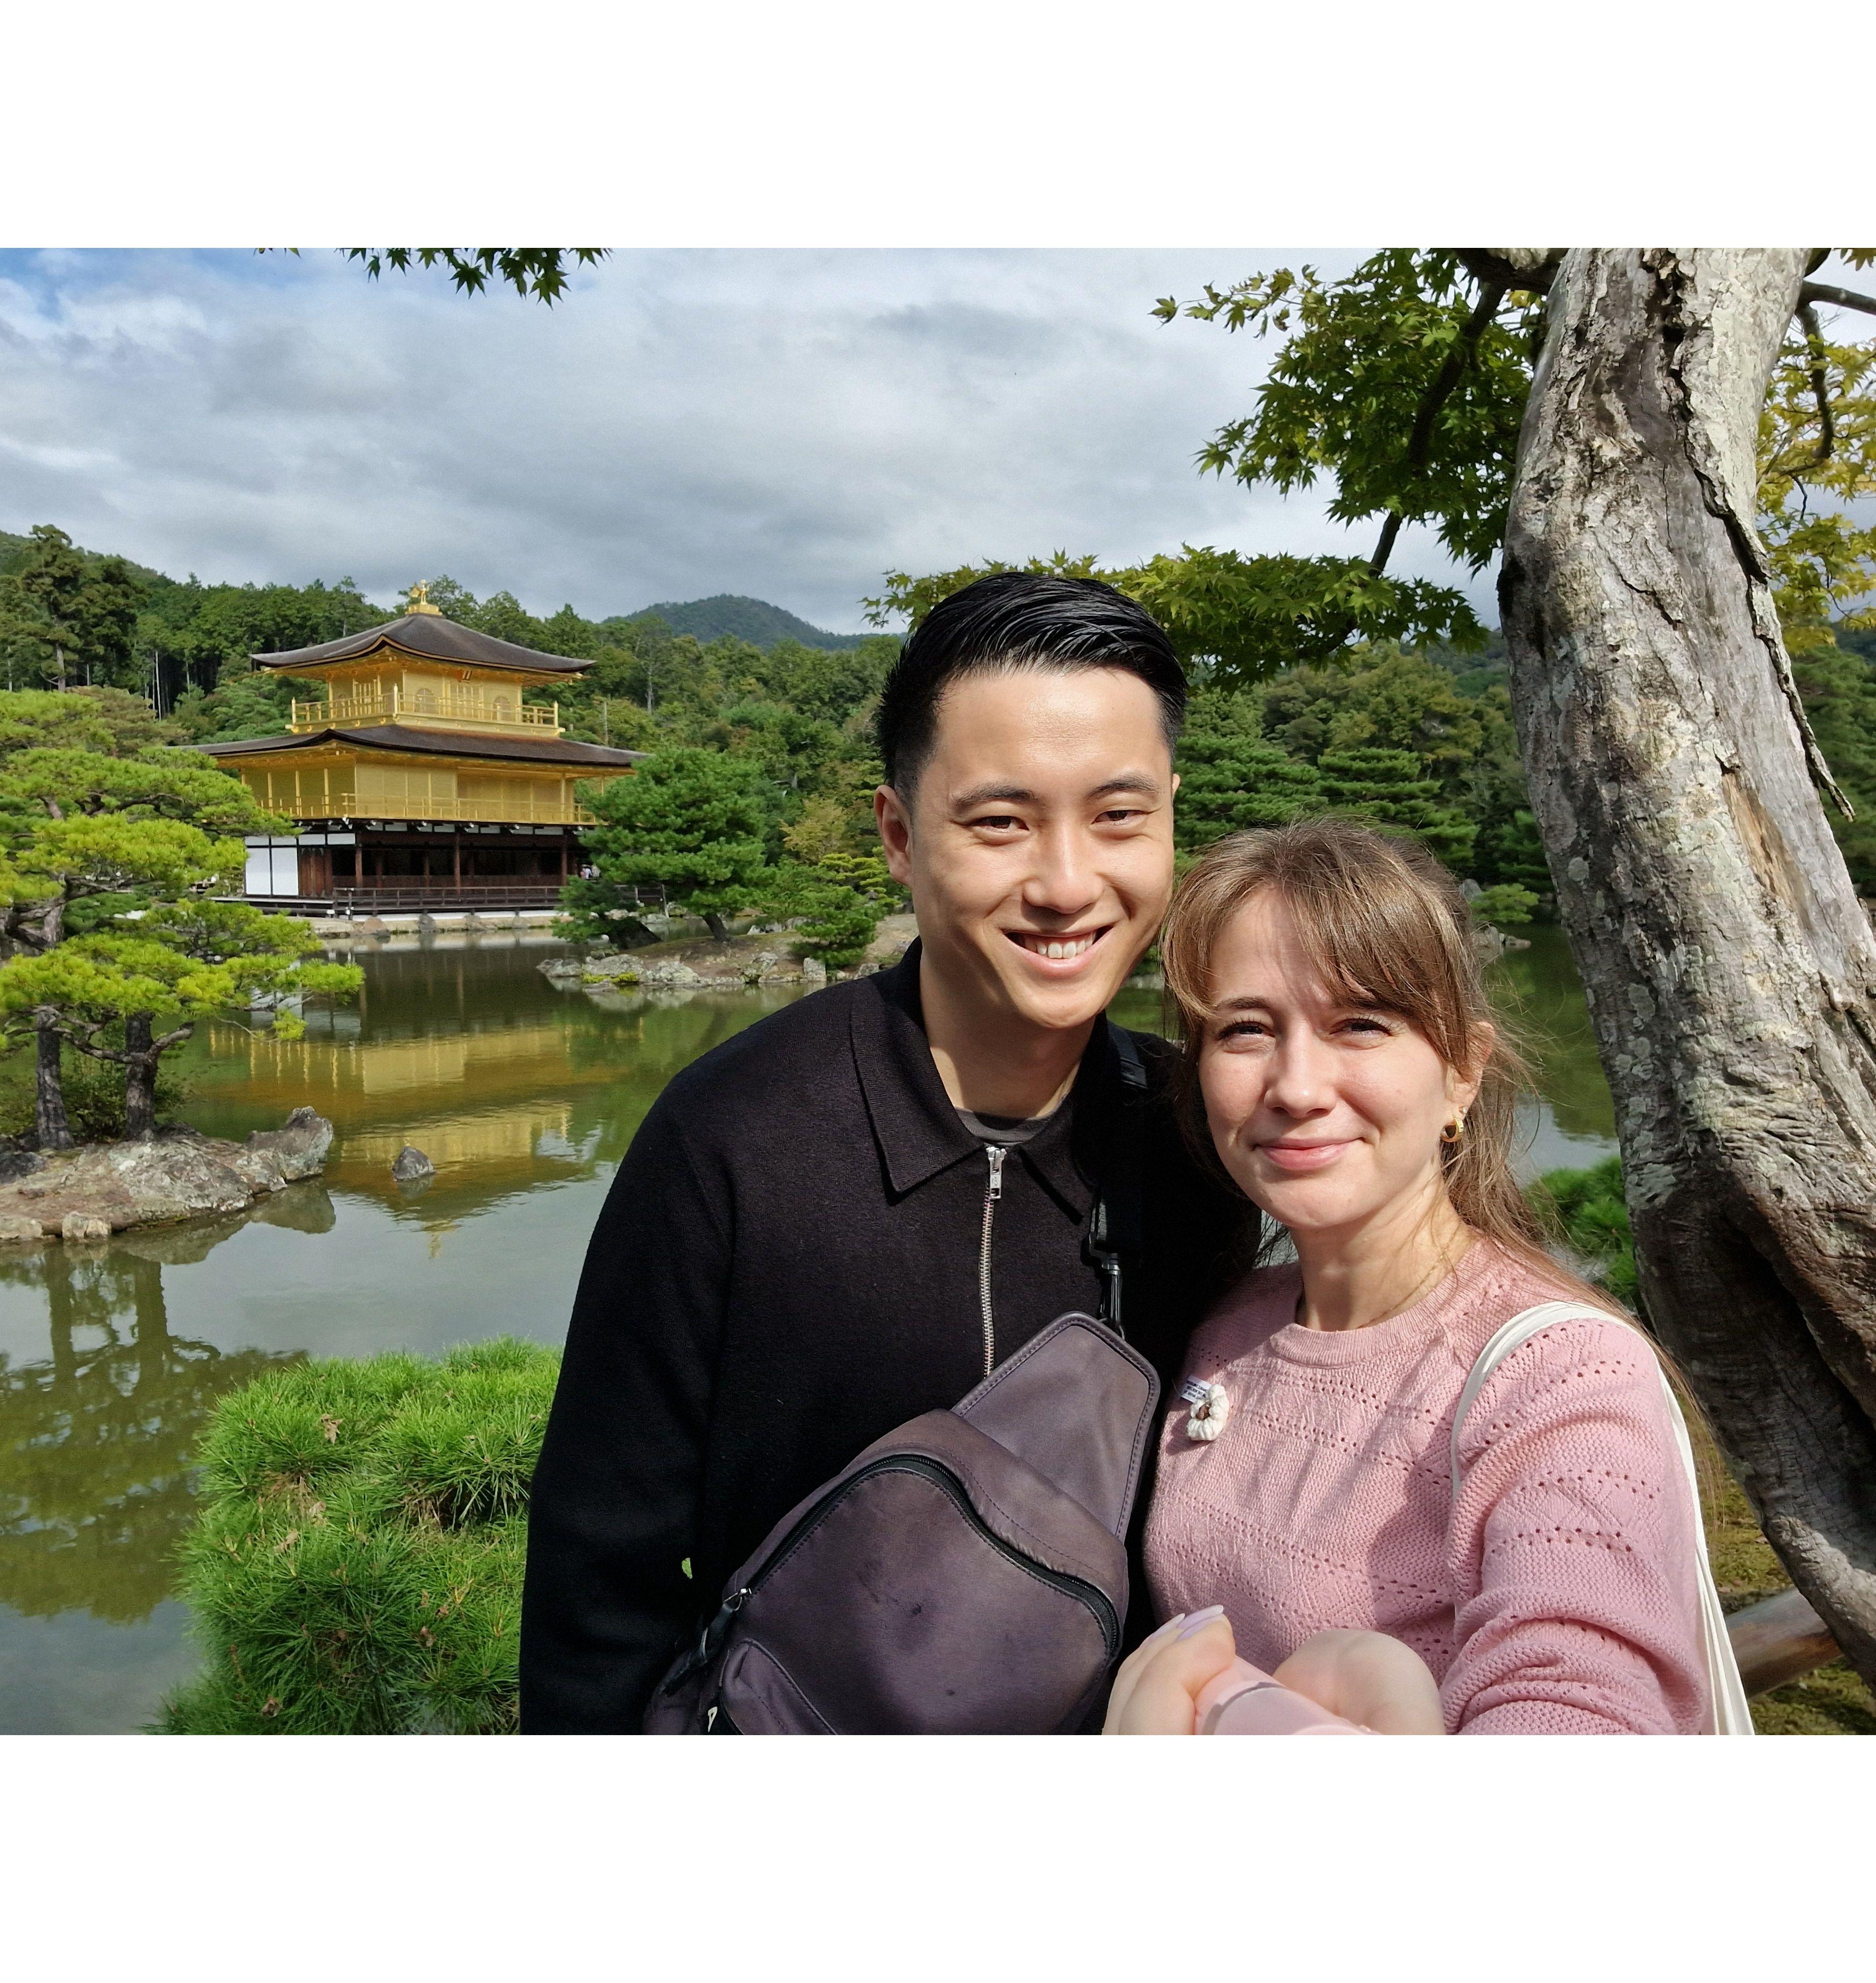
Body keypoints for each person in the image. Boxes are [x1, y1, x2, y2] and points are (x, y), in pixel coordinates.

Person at [519, 572, 1260, 1732]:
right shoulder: (735, 1138)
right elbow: (593, 1595)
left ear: (1172, 815)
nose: (1068, 884)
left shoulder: (1196, 1138)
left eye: (1119, 817)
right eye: (1000, 821)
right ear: (899, 836)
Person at [1130, 818, 1712, 1734]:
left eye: (1360, 1023)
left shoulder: (1562, 1382)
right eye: (1245, 1030)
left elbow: (1579, 1705)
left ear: (1463, 1073)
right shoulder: (1226, 1328)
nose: (1297, 1085)